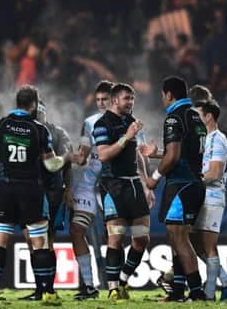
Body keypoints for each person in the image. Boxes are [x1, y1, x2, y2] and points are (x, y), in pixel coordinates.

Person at [0, 85, 81, 303]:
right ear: (34, 104)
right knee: (40, 241)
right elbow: (51, 165)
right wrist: (67, 158)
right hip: (31, 189)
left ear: (17, 102)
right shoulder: (39, 129)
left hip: (5, 188)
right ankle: (46, 292)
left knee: (1, 238)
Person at [143, 77, 206, 301]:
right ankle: (178, 291)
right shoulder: (195, 117)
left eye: (163, 95)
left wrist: (154, 178)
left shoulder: (174, 118)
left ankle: (196, 292)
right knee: (176, 235)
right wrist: (159, 152)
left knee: (179, 237)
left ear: (169, 94)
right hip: (194, 182)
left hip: (181, 184)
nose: (162, 99)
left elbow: (174, 156)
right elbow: (185, 152)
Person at [93, 83, 152, 301]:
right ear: (115, 100)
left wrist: (147, 184)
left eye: (132, 99)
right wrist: (126, 137)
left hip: (135, 185)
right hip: (113, 186)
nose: (130, 102)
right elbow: (104, 155)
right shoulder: (101, 125)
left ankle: (124, 280)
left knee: (142, 239)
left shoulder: (131, 122)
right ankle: (112, 288)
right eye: (127, 98)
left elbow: (137, 155)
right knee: (116, 237)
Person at [19, 100, 74, 301]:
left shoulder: (57, 133)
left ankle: (47, 289)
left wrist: (68, 189)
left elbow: (67, 161)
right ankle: (42, 288)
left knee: (46, 239)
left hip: (51, 191)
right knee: (32, 240)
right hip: (29, 190)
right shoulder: (25, 131)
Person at [191, 99, 227, 301]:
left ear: (208, 116)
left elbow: (215, 173)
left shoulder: (218, 139)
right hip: (201, 197)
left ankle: (210, 294)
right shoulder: (204, 139)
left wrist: (193, 181)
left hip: (212, 197)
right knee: (194, 241)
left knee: (209, 246)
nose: (195, 119)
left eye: (198, 115)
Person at [70, 80, 113, 300]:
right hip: (89, 183)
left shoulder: (126, 123)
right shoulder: (89, 122)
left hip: (114, 184)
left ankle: (116, 286)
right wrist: (67, 155)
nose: (100, 104)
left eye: (104, 99)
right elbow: (82, 156)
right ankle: (88, 286)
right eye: (97, 100)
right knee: (77, 230)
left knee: (115, 236)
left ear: (113, 100)